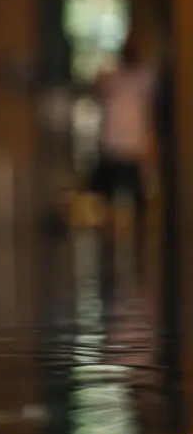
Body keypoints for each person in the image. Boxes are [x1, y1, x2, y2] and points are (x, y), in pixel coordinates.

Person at [88, 34, 158, 270]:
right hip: (112, 148)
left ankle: (140, 249)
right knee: (108, 201)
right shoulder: (111, 78)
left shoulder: (145, 78)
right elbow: (95, 90)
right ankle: (108, 247)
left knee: (139, 203)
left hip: (134, 149)